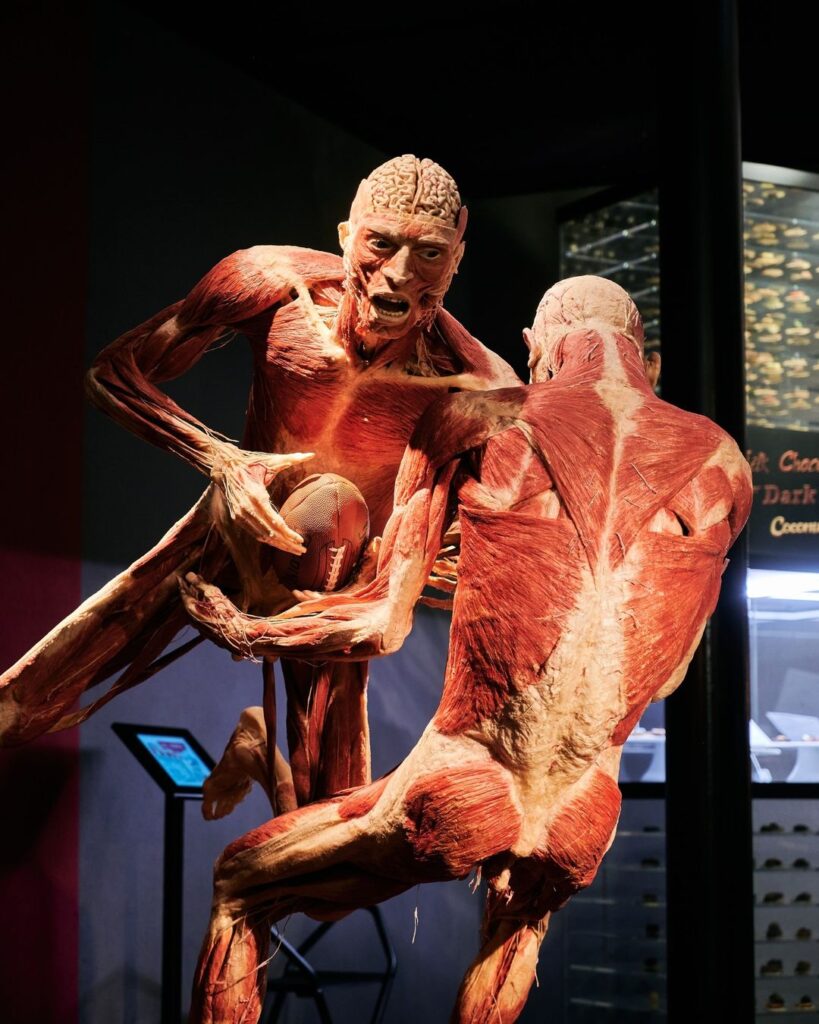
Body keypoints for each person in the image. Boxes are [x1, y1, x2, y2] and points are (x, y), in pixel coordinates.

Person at [180, 275, 752, 1023]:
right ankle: (268, 755)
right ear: (649, 360)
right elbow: (670, 674)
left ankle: (266, 758)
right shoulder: (725, 464)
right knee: (513, 937)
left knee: (240, 885)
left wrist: (243, 629)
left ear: (536, 351)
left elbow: (381, 627)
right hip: (584, 807)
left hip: (463, 782)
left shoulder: (480, 420)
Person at [0, 155, 519, 812]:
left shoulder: (480, 386)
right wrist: (220, 460)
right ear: (346, 236)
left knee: (322, 816)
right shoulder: (271, 285)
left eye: (430, 254)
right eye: (381, 244)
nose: (398, 274)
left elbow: (499, 528)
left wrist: (415, 565)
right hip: (231, 527)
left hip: (334, 573)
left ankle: (257, 743)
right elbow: (113, 373)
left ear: (456, 259)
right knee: (25, 699)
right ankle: (259, 739)